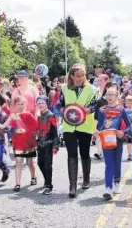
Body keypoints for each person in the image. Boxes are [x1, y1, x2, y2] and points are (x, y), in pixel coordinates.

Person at [59, 64, 98, 198]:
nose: (81, 78)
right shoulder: (64, 89)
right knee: (72, 154)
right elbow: (60, 105)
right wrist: (63, 110)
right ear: (71, 76)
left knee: (85, 153)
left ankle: (86, 179)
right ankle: (73, 185)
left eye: (83, 75)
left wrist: (81, 111)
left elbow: (94, 106)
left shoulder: (92, 89)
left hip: (85, 125)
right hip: (69, 126)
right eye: (78, 76)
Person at [0, 96, 38, 192]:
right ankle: (17, 184)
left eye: (22, 104)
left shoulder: (28, 115)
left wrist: (26, 130)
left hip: (28, 142)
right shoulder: (13, 116)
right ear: (15, 105)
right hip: (18, 142)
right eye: (18, 104)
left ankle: (33, 177)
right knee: (18, 162)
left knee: (29, 163)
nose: (20, 106)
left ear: (25, 104)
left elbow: (35, 127)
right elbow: (3, 126)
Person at [96, 87, 131, 200]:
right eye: (108, 94)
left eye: (112, 94)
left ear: (117, 96)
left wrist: (123, 132)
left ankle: (116, 183)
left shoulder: (121, 110)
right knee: (109, 164)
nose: (110, 96)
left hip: (118, 141)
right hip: (107, 140)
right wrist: (104, 127)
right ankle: (108, 188)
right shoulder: (101, 110)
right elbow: (99, 126)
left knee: (117, 163)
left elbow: (130, 125)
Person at [35, 96, 59, 195]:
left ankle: (49, 185)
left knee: (47, 165)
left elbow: (55, 131)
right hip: (40, 143)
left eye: (42, 103)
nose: (40, 105)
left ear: (46, 104)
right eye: (39, 103)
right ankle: (46, 180)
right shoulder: (39, 116)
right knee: (40, 163)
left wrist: (55, 145)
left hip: (49, 143)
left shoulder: (51, 115)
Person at [124, 96, 132, 161]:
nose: (129, 104)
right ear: (125, 103)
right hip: (127, 128)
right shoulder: (124, 111)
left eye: (131, 103)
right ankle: (130, 154)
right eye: (128, 103)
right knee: (128, 141)